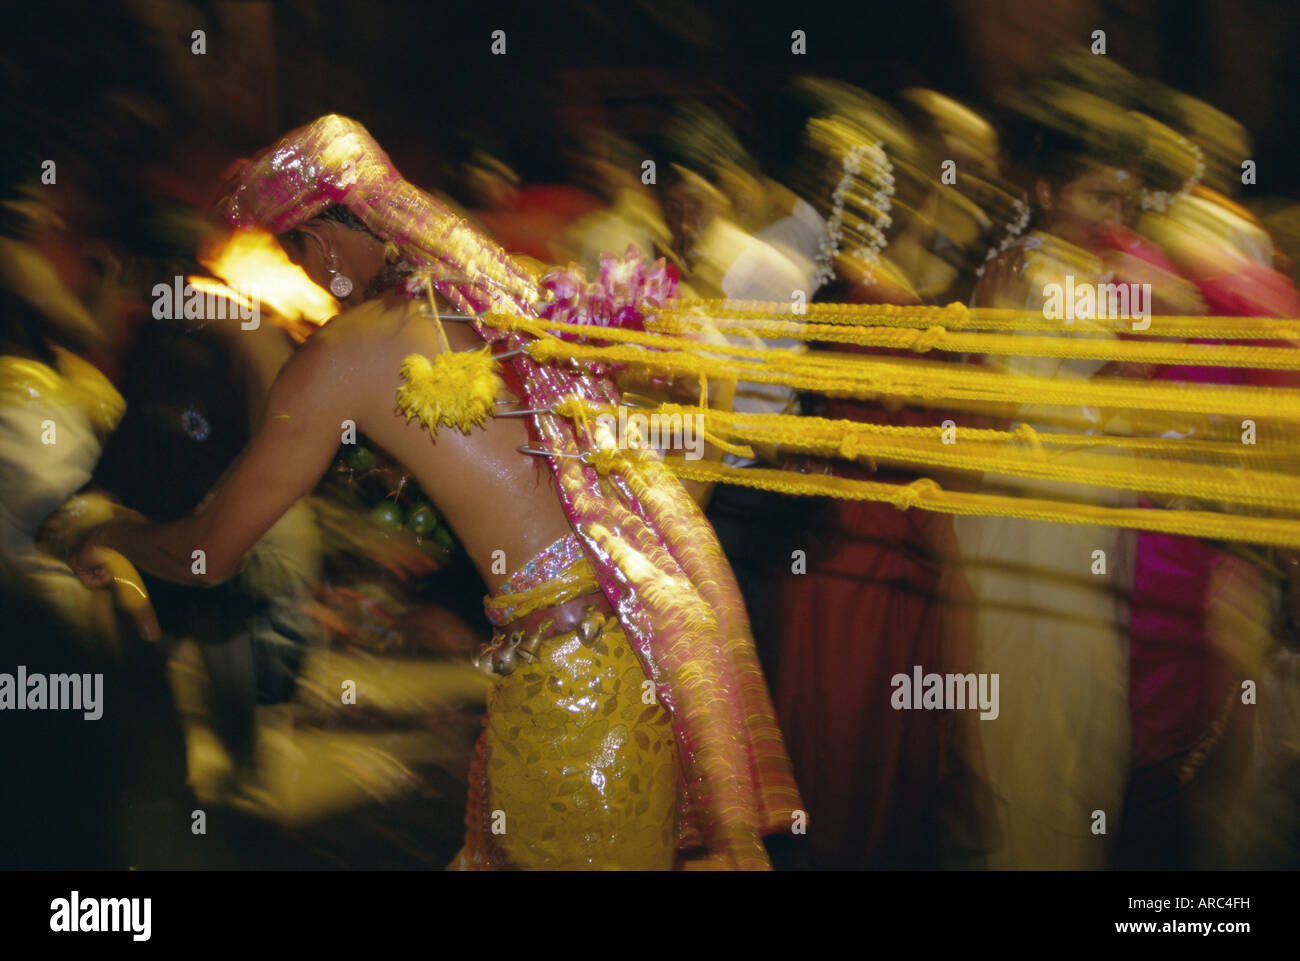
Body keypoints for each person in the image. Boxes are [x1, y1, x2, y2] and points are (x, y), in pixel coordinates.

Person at [67, 114, 800, 870]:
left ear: (318, 240)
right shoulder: (507, 287)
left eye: (298, 254)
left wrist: (113, 530)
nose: (311, 281)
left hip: (572, 693)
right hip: (640, 653)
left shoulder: (342, 355)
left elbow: (205, 555)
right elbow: (688, 404)